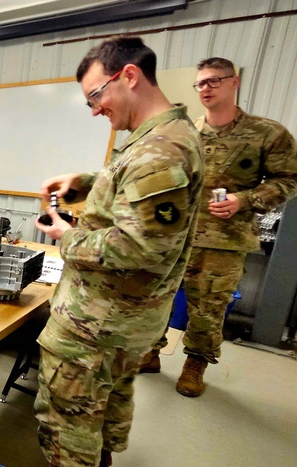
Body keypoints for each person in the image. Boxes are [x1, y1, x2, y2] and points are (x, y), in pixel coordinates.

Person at [33, 37, 204, 467]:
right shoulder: (164, 136)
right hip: (124, 325)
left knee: (67, 430)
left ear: (128, 75)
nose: (95, 110)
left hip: (96, 326)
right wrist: (88, 181)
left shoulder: (159, 150)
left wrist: (63, 235)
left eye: (96, 96)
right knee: (101, 414)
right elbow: (134, 192)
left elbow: (137, 248)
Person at [142, 58, 297, 396]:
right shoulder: (186, 132)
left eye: (214, 81)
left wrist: (245, 200)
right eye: (201, 83)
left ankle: (194, 365)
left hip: (222, 240)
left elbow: (290, 179)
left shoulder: (266, 133)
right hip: (174, 236)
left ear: (234, 82)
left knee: (208, 308)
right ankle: (150, 353)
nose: (206, 89)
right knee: (156, 299)